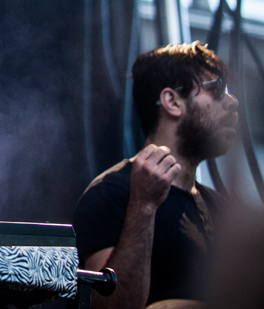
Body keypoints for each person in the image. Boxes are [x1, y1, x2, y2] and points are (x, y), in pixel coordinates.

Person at [73, 41, 239, 308]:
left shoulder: (219, 207)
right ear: (172, 101)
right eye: (217, 88)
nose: (232, 102)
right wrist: (144, 206)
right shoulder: (112, 193)